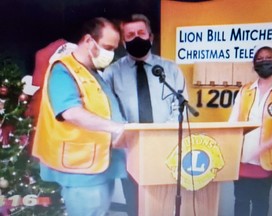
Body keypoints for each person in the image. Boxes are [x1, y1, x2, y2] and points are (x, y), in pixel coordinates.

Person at [32, 17, 127, 216]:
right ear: (88, 40)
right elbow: (71, 112)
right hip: (82, 169)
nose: (110, 54)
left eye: (113, 49)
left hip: (99, 165)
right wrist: (117, 128)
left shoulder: (91, 71)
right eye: (107, 47)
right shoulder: (62, 70)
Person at [102, 14, 188, 216]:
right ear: (123, 42)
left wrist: (162, 136)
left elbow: (181, 107)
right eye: (130, 35)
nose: (136, 38)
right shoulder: (112, 73)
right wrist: (126, 135)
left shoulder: (170, 69)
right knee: (134, 206)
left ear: (151, 37)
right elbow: (105, 109)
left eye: (141, 33)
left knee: (164, 204)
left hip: (166, 149)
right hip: (130, 152)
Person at [229, 42, 272, 216]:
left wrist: (260, 150)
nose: (264, 62)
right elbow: (233, 122)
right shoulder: (245, 90)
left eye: (269, 58)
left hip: (266, 161)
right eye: (260, 59)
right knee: (240, 200)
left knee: (260, 202)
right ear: (255, 64)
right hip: (242, 159)